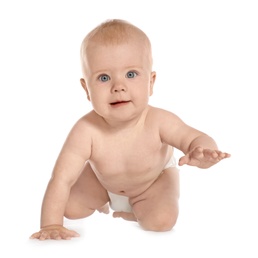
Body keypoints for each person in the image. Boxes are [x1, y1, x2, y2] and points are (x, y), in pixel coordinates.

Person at [30, 19, 230, 240]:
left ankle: (136, 211)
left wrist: (203, 151)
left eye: (131, 74)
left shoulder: (158, 120)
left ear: (151, 82)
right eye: (104, 78)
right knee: (69, 208)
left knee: (160, 222)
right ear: (87, 89)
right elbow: (61, 178)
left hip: (154, 182)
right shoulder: (85, 130)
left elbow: (195, 138)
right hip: (102, 181)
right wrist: (50, 224)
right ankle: (106, 201)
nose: (118, 86)